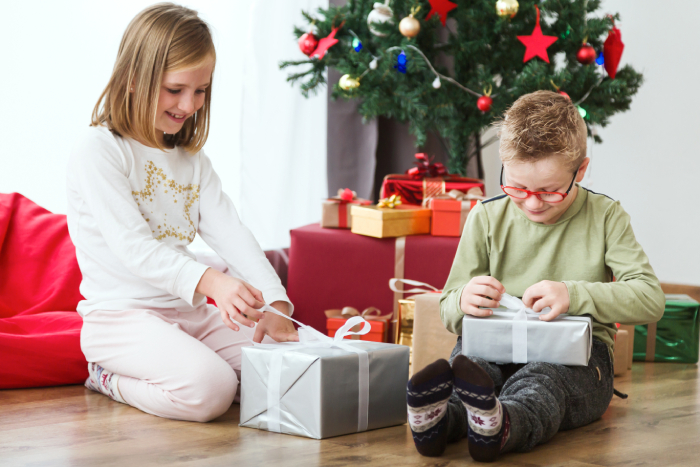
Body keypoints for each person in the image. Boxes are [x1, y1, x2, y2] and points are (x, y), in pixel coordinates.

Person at [67, 3, 297, 423]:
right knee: (213, 391)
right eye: (175, 90)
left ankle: (199, 364)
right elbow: (133, 247)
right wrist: (214, 282)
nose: (189, 104)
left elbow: (231, 231)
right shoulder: (99, 150)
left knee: (293, 367)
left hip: (188, 313)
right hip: (121, 319)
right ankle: (106, 377)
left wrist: (277, 301)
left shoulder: (191, 158)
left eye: (201, 90)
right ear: (134, 79)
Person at [405, 91, 665, 462]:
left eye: (549, 191)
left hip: (578, 363)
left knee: (543, 382)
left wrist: (573, 295)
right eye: (517, 188)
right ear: (504, 165)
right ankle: (442, 422)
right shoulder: (486, 217)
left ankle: (502, 426)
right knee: (471, 367)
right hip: (493, 346)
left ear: (581, 170)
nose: (532, 202)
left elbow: (650, 299)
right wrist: (463, 299)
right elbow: (448, 308)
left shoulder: (606, 216)